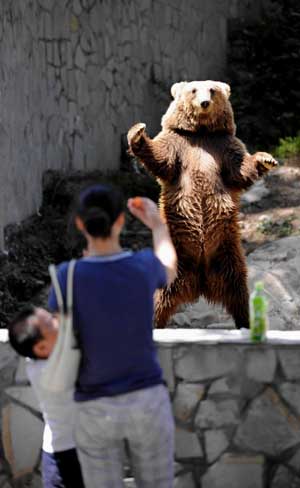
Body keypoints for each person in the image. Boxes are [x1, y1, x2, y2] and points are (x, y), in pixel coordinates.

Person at [48, 184, 178, 488]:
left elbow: (58, 336)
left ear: (80, 224)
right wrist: (158, 225)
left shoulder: (66, 276)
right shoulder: (144, 265)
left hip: (93, 405)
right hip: (147, 398)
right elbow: (170, 267)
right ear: (121, 221)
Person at [8, 305, 85, 488]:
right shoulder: (53, 371)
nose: (58, 321)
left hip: (64, 451)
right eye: (51, 323)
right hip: (67, 456)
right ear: (41, 348)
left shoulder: (36, 360)